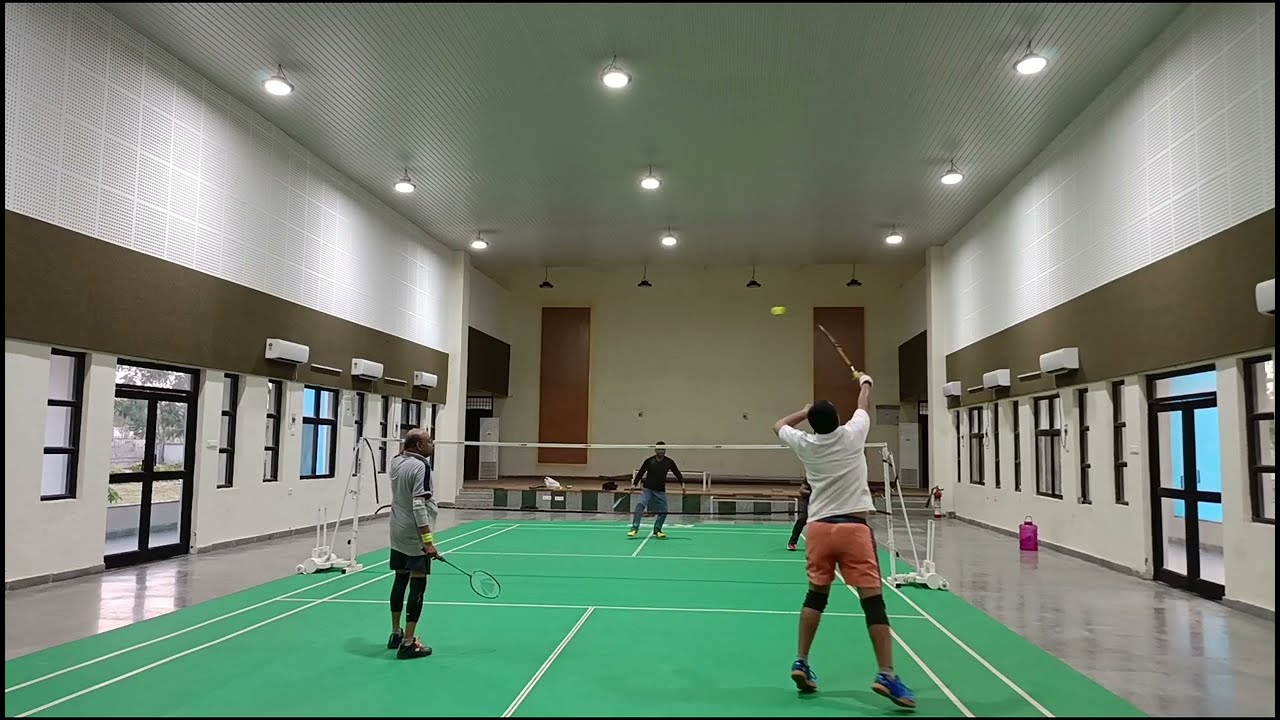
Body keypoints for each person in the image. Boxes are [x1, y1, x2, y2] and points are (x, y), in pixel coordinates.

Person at [772, 371, 915, 709]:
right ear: (838, 419)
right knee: (873, 603)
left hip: (819, 529)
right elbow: (863, 403)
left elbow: (777, 424)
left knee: (815, 597)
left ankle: (801, 661)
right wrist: (866, 380)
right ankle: (887, 674)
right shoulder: (853, 434)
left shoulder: (806, 444)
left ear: (814, 423)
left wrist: (804, 411)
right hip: (853, 529)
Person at [386, 428, 442, 660]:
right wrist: (428, 542)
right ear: (419, 446)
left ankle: (396, 633)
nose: (433, 444)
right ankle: (409, 643)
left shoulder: (396, 461)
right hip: (414, 535)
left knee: (400, 578)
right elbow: (419, 505)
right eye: (429, 441)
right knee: (417, 585)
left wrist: (408, 442)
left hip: (397, 531)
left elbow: (403, 450)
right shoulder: (421, 467)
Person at [627, 441, 685, 539]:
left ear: (665, 450)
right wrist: (634, 485)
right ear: (655, 450)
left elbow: (677, 473)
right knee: (640, 507)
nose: (661, 451)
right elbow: (641, 473)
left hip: (660, 490)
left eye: (663, 449)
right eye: (659, 449)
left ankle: (657, 530)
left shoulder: (669, 462)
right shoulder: (649, 461)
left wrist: (682, 484)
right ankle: (634, 529)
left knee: (664, 510)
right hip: (647, 489)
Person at [787, 478, 811, 551]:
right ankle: (792, 542)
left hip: (819, 501)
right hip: (806, 500)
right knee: (802, 518)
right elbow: (801, 490)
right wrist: (813, 493)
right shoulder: (811, 475)